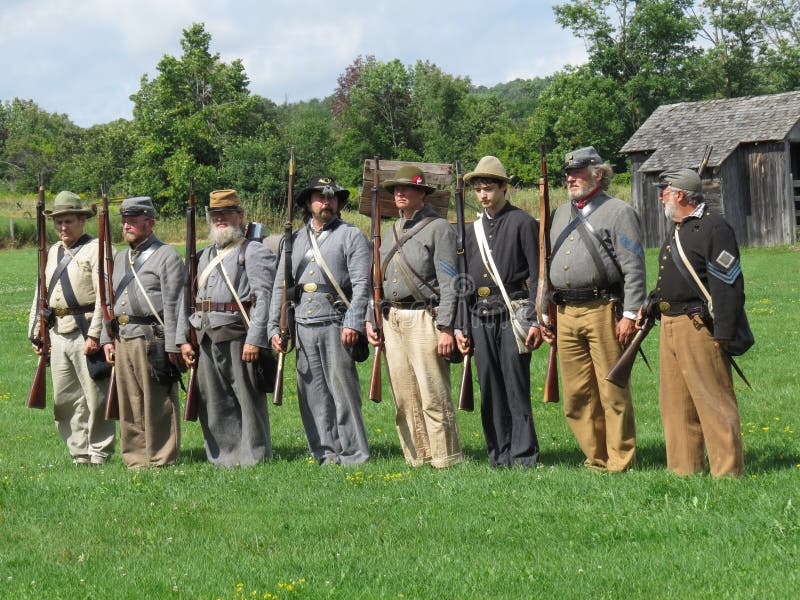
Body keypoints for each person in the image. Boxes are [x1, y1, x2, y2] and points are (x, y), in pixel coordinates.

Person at [541, 146, 645, 472]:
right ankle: (595, 456)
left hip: (604, 309)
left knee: (612, 389)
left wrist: (630, 314)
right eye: (568, 173)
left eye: (579, 171)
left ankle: (620, 460)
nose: (571, 178)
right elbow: (547, 264)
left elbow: (634, 268)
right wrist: (544, 309)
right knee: (575, 395)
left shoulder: (619, 212)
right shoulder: (559, 214)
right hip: (566, 313)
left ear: (598, 174)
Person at [365, 165, 463, 468]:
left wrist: (446, 326)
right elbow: (375, 280)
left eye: (406, 189)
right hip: (392, 319)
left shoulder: (439, 229)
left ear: (422, 193)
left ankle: (445, 457)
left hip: (424, 318)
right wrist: (373, 317)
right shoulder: (390, 230)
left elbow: (450, 282)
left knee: (432, 394)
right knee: (405, 396)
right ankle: (417, 456)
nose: (399, 194)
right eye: (396, 190)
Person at [268, 177, 371, 465]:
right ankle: (325, 453)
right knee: (312, 395)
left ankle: (353, 453)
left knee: (343, 394)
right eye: (319, 197)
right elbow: (281, 285)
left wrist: (354, 321)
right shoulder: (294, 240)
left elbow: (362, 284)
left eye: (331, 197)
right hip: (302, 323)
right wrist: (273, 328)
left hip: (335, 321)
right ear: (307, 203)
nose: (326, 202)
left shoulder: (351, 236)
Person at [650, 168, 744, 477]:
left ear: (679, 195)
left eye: (664, 191)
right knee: (675, 404)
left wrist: (724, 332)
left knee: (713, 401)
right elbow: (676, 279)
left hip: (699, 325)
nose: (661, 196)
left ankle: (727, 472)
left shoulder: (714, 227)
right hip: (670, 324)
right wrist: (651, 304)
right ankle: (683, 471)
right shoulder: (679, 228)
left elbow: (728, 282)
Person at [178, 190, 277, 467]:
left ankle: (254, 456)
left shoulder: (253, 251)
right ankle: (224, 456)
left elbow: (264, 298)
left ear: (240, 216)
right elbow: (189, 299)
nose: (220, 219)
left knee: (247, 399)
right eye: (215, 215)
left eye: (226, 214)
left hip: (238, 333)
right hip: (205, 333)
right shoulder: (203, 255)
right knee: (213, 400)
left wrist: (256, 339)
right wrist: (185, 339)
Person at [455, 156, 542, 468]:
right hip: (479, 315)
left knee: (516, 386)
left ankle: (523, 455)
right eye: (478, 190)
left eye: (489, 188)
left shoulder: (522, 222)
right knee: (489, 387)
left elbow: (537, 276)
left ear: (504, 188)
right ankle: (498, 454)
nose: (483, 195)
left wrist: (535, 319)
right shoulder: (470, 231)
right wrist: (461, 326)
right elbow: (462, 283)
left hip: (511, 313)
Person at [28, 191, 115, 465]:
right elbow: (40, 292)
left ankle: (99, 453)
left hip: (85, 328)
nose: (63, 227)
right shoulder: (52, 251)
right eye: (59, 222)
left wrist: (95, 334)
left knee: (96, 397)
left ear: (82, 220)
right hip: (57, 331)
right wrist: (35, 331)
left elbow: (104, 296)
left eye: (68, 221)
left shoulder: (97, 248)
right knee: (65, 399)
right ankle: (79, 453)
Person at [100, 197, 184, 468]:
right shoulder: (121, 257)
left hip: (152, 337)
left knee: (158, 401)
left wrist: (173, 345)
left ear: (149, 223)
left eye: (133, 221)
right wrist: (106, 338)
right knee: (129, 401)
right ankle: (136, 458)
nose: (127, 226)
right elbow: (109, 301)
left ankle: (162, 457)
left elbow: (174, 304)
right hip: (123, 336)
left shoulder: (166, 255)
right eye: (125, 221)